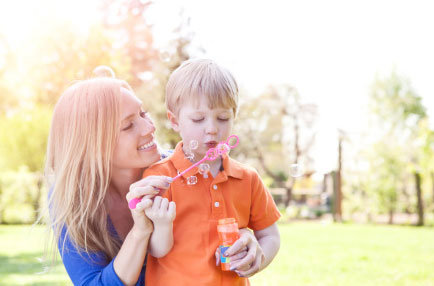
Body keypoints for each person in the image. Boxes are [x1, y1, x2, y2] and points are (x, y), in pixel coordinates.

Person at [44, 67, 266, 286]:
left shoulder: (181, 170)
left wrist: (246, 239)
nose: (149, 127)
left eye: (143, 113)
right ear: (93, 145)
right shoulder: (71, 200)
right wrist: (140, 232)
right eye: (128, 125)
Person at [141, 59, 281, 285]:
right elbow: (155, 251)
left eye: (223, 118)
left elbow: (270, 235)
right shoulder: (160, 178)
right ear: (175, 121)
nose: (212, 129)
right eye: (198, 119)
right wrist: (163, 224)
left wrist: (258, 259)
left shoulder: (248, 179)